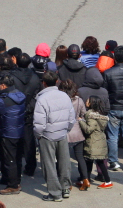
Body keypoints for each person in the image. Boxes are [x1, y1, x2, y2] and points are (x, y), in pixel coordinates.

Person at [33, 70, 75, 201]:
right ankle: (65, 188)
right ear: (57, 81)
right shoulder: (64, 96)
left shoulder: (41, 99)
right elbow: (71, 117)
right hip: (62, 133)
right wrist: (66, 129)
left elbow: (39, 122)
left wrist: (38, 135)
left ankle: (55, 193)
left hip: (47, 135)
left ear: (44, 83)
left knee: (49, 165)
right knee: (64, 162)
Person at [103, 46, 123, 172]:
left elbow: (105, 92)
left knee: (112, 136)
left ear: (114, 58)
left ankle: (114, 162)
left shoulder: (108, 73)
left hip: (113, 107)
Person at [78, 96, 111, 190]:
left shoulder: (90, 115)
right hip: (100, 139)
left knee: (92, 161)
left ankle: (107, 181)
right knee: (94, 161)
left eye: (88, 100)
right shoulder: (102, 115)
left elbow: (89, 129)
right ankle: (86, 179)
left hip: (93, 141)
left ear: (91, 103)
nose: (86, 101)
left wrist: (81, 121)